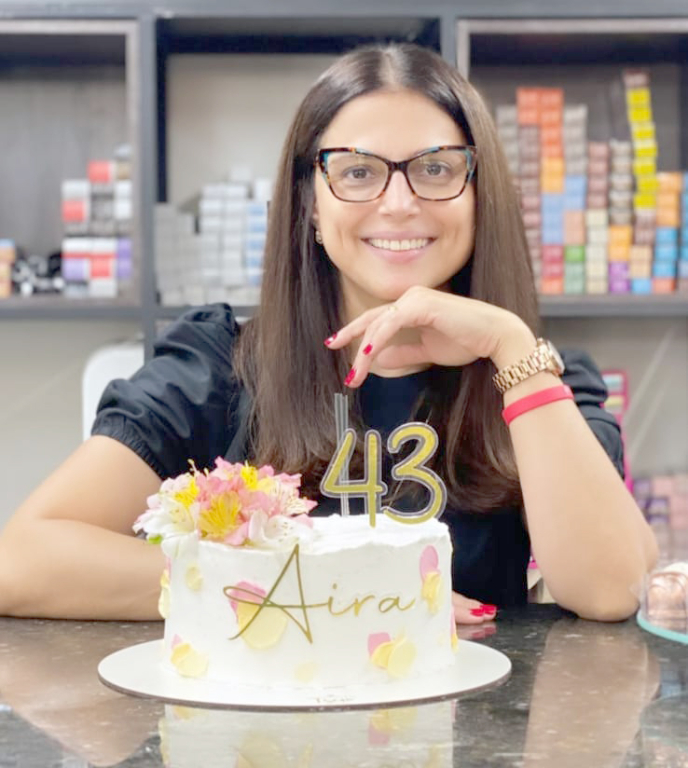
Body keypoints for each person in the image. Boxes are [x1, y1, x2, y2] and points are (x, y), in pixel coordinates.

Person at [0, 43, 657, 623]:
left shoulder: (536, 375)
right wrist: (318, 589)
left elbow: (610, 591)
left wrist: (511, 349)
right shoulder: (216, 366)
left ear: (480, 196)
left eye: (436, 168)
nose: (399, 203)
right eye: (357, 170)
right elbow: (23, 560)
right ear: (311, 204)